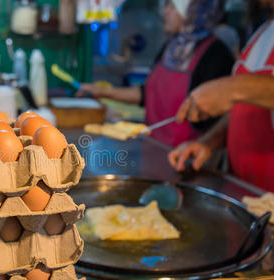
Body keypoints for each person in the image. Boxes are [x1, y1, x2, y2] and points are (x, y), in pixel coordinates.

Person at [77, 0, 235, 147]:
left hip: (187, 160)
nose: (164, 12)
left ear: (192, 11)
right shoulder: (172, 46)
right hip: (154, 148)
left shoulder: (216, 55)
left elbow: (220, 118)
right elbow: (148, 94)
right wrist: (102, 92)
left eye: (172, 7)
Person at [168, 0, 274, 192]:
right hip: (244, 191)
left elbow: (238, 92)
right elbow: (246, 110)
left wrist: (231, 88)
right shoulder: (263, 32)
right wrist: (208, 142)